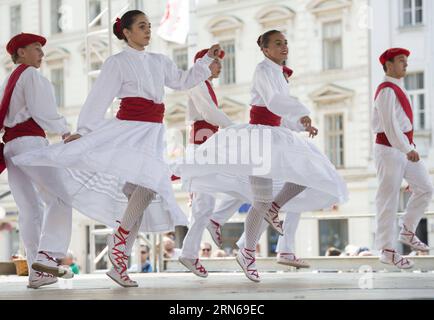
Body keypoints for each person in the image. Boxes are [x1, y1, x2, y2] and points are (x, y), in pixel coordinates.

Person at [13, 10, 222, 287]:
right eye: (141, 26)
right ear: (126, 32)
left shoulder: (160, 60)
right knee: (148, 186)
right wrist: (84, 132)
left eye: (149, 26)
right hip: (128, 132)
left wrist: (207, 60)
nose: (148, 30)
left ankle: (119, 260)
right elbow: (99, 98)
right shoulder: (117, 62)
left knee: (141, 193)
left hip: (152, 133)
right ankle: (120, 239)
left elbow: (182, 81)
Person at [179, 30, 348, 282]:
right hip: (253, 139)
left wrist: (301, 123)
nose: (284, 47)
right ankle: (243, 250)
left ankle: (270, 214)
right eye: (278, 43)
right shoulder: (262, 70)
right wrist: (300, 111)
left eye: (286, 43)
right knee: (255, 199)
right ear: (265, 49)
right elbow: (273, 101)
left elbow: (279, 111)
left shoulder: (277, 72)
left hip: (272, 135)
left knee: (303, 175)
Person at [0, 32, 74, 289]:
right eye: (36, 48)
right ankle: (49, 256)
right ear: (21, 52)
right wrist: (64, 130)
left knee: (29, 209)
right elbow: (43, 110)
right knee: (61, 197)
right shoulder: (30, 74)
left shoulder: (7, 81)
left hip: (11, 147)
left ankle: (36, 270)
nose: (42, 53)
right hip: (30, 143)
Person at [373, 48, 432, 269]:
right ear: (388, 65)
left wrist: (408, 148)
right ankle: (387, 251)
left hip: (404, 147)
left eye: (406, 60)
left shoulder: (398, 88)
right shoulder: (386, 90)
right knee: (387, 198)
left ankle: (407, 230)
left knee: (425, 187)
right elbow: (389, 125)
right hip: (389, 149)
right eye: (400, 60)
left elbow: (400, 124)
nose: (405, 64)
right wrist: (407, 149)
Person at [178, 48, 233, 278]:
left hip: (207, 145)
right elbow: (209, 113)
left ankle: (213, 223)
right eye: (216, 62)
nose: (220, 66)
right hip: (202, 147)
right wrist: (235, 128)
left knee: (212, 200)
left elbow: (210, 114)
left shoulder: (204, 84)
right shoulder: (198, 83)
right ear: (204, 63)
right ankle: (190, 252)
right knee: (204, 203)